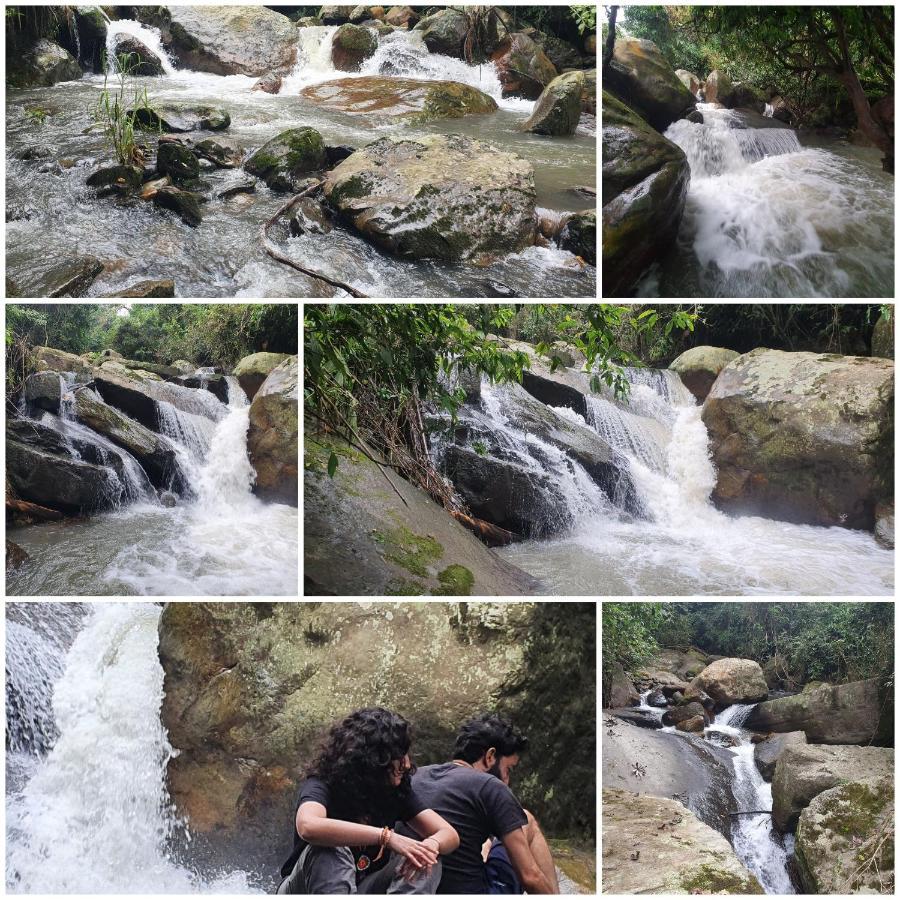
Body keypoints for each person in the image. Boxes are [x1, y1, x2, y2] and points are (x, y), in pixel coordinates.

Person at [278, 707, 459, 894]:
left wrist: (433, 844)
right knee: (331, 848)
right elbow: (308, 826)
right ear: (373, 758)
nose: (406, 763)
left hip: (362, 887)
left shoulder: (395, 790)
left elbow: (449, 834)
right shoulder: (323, 782)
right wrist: (387, 837)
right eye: (399, 755)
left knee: (425, 857)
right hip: (302, 887)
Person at [402, 714, 559, 895]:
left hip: (414, 887)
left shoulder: (416, 775)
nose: (507, 780)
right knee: (527, 820)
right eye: (509, 769)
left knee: (486, 843)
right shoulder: (491, 786)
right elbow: (530, 877)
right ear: (490, 756)